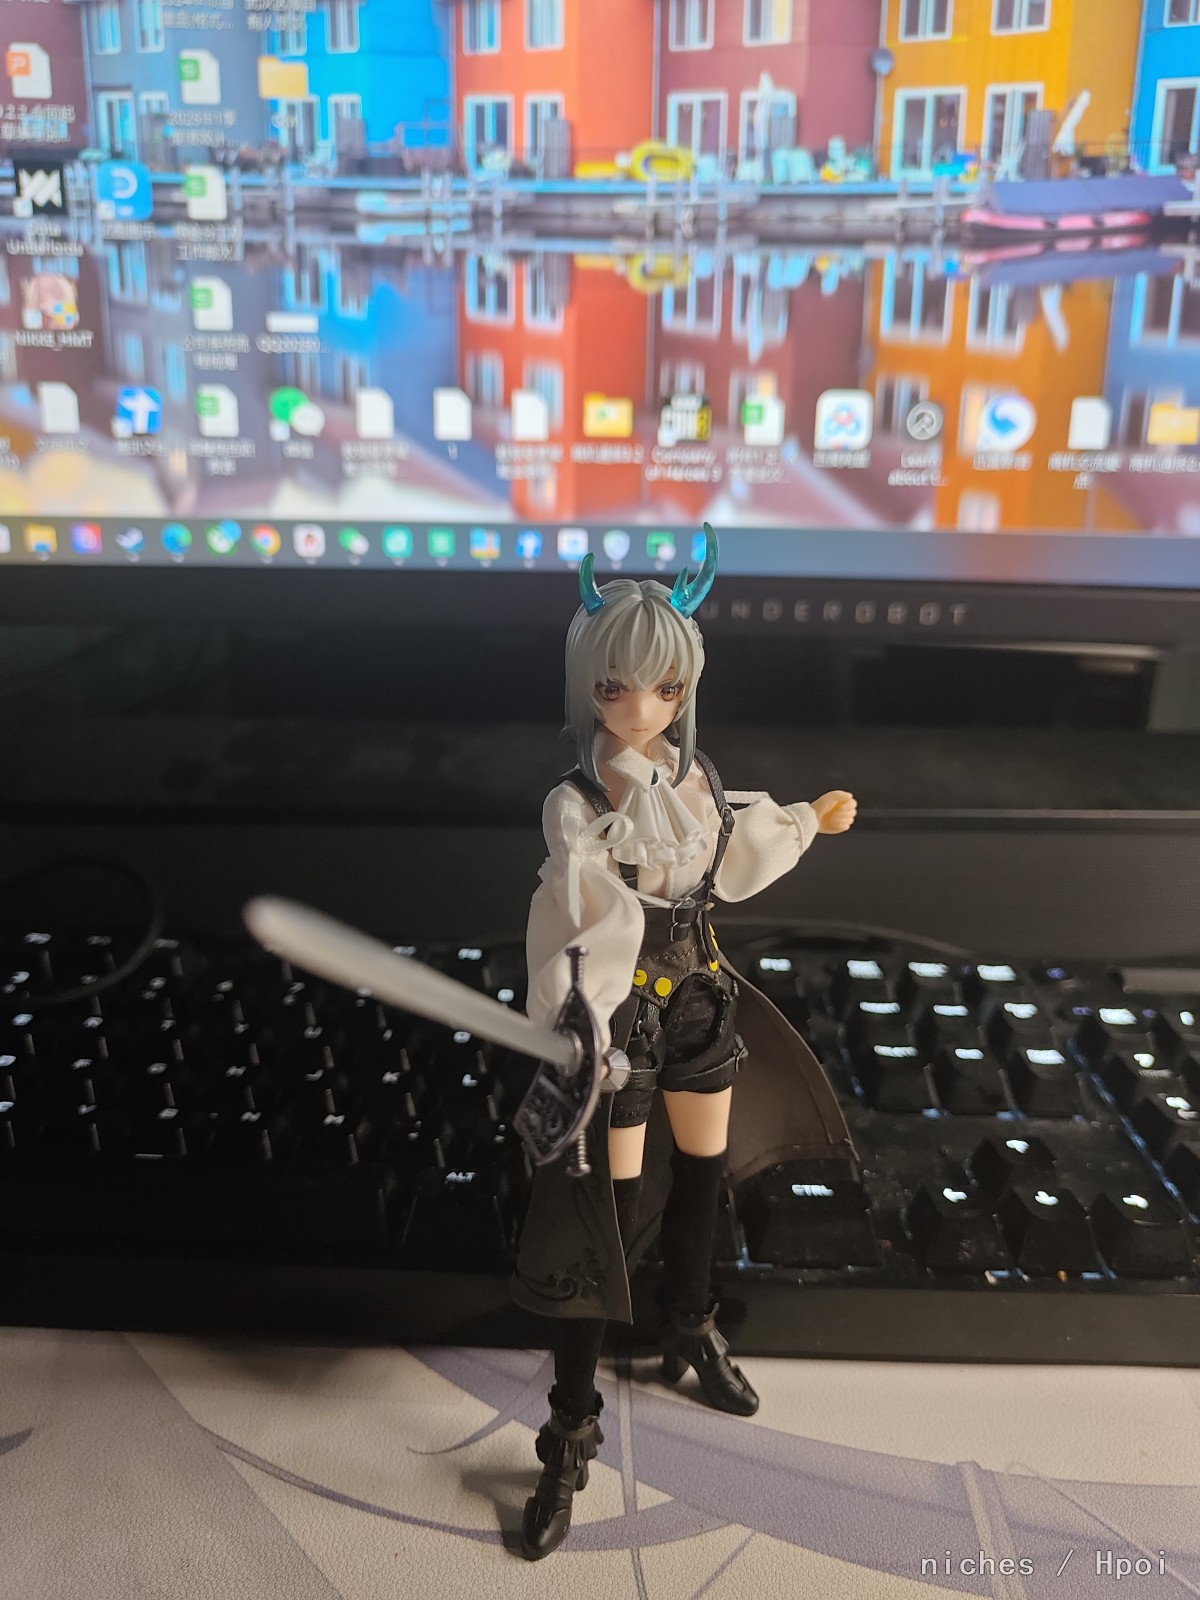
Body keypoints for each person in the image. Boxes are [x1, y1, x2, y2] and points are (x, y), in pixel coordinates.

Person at [513, 525, 858, 1560]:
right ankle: (571, 1424)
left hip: (702, 999)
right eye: (616, 687)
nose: (640, 708)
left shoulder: (697, 775)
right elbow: (570, 918)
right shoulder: (577, 805)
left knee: (705, 1171)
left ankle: (689, 1322)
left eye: (664, 688)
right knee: (605, 1209)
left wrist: (805, 821)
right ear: (588, 686)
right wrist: (574, 1019)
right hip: (621, 1017)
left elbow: (734, 852)